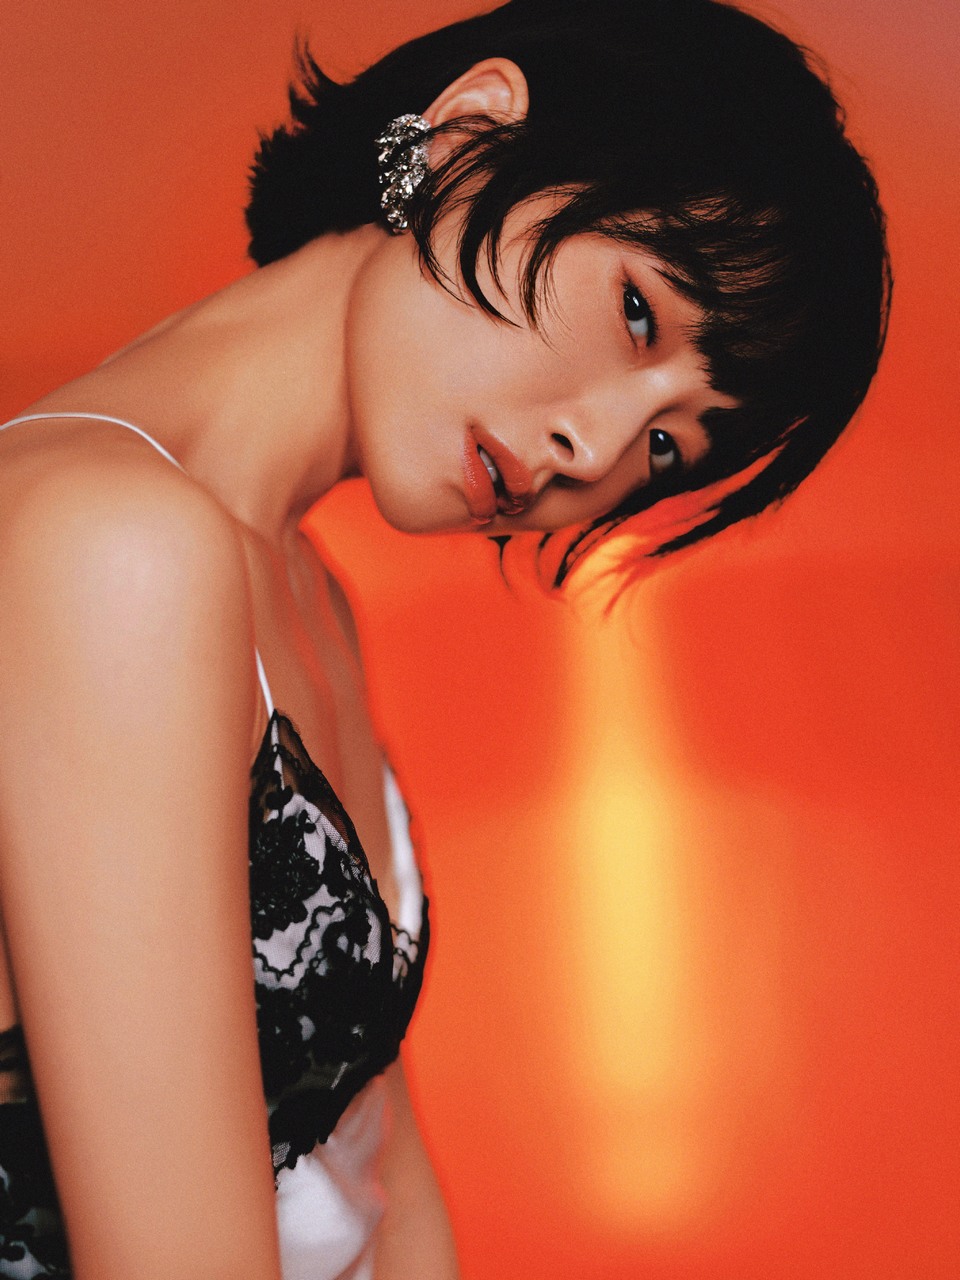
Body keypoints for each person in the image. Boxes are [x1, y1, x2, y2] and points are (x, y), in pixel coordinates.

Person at [0, 0, 889, 1276]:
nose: (592, 450)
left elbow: (382, 1178)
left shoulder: (308, 599)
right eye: (640, 313)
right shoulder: (109, 550)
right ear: (466, 134)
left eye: (663, 445)